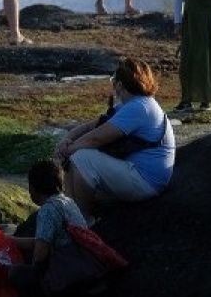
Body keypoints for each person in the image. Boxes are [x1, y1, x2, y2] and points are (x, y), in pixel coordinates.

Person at [54, 58, 174, 222]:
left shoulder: (139, 107)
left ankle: (84, 221)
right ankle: (70, 214)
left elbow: (96, 139)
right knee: (73, 158)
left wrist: (68, 149)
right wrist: (67, 140)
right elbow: (91, 126)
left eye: (114, 81)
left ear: (119, 85)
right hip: (137, 173)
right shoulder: (133, 104)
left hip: (146, 181)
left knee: (82, 158)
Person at [8, 160, 91, 297]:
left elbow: (40, 253)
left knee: (17, 273)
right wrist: (10, 241)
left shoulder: (47, 211)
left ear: (34, 189)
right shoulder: (67, 201)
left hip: (70, 274)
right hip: (87, 264)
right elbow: (43, 240)